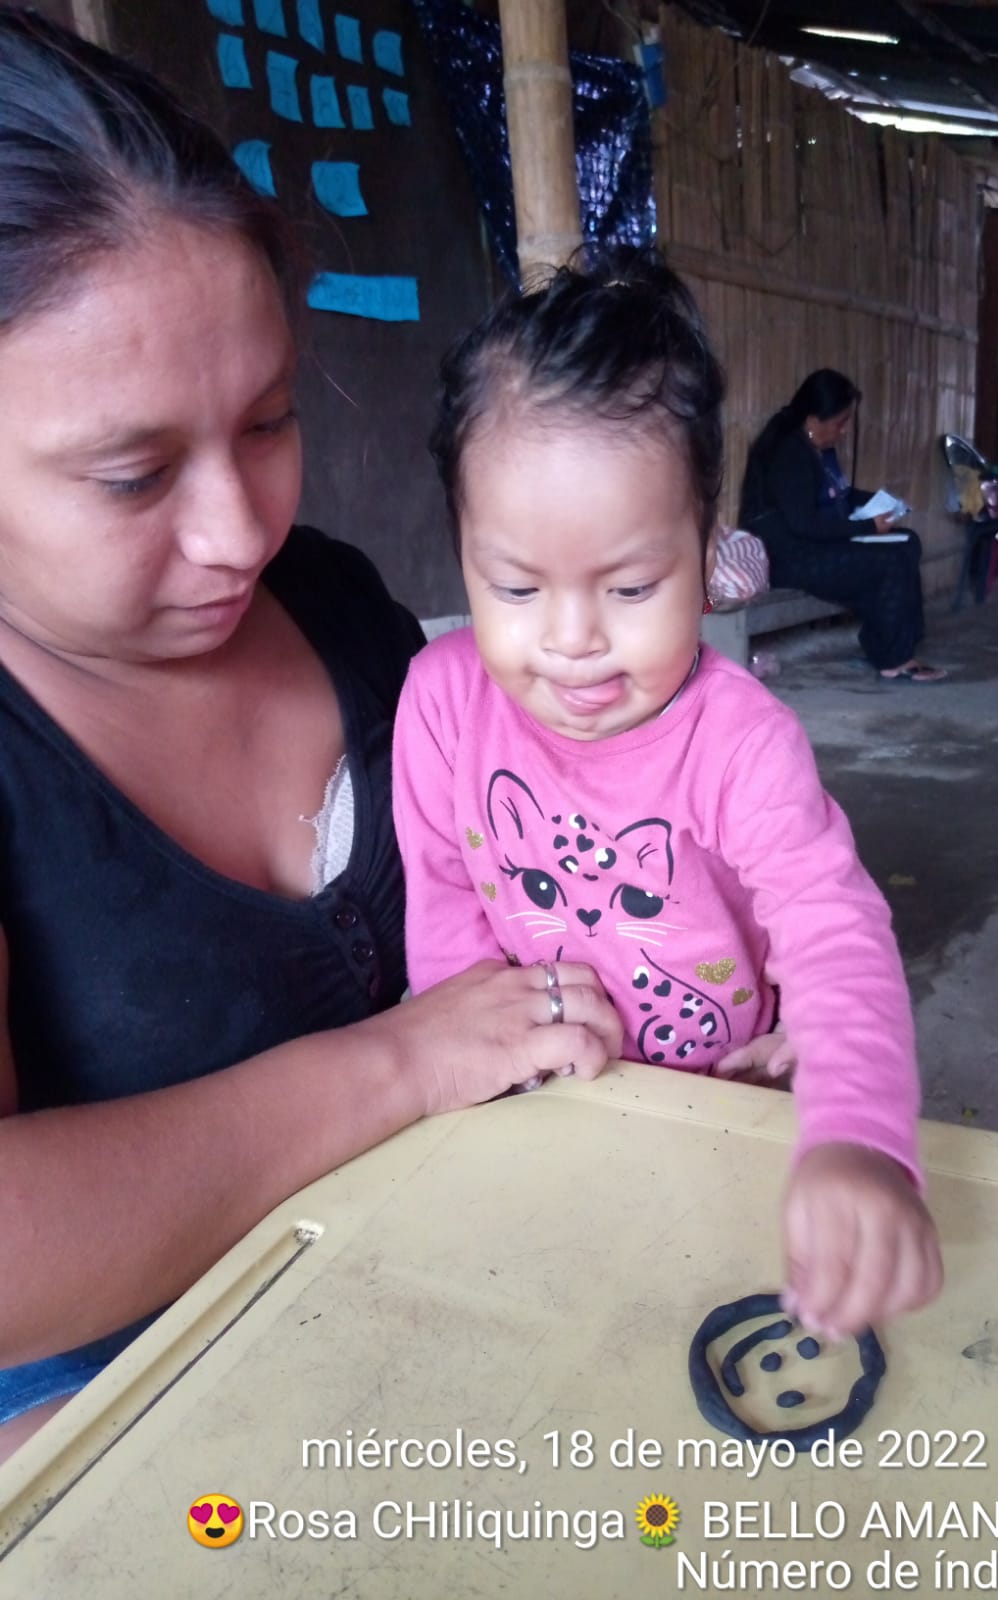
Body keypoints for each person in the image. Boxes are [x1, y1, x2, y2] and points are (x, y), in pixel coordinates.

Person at [0, 10, 623, 1461]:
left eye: (271, 421)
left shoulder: (335, 603)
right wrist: (402, 1066)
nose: (240, 532)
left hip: (455, 1284)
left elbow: (530, 886)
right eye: (132, 475)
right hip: (117, 1404)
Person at [392, 254, 943, 1340]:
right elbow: (445, 912)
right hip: (547, 1104)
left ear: (708, 549)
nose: (572, 639)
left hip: (727, 1100)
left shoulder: (741, 741)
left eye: (633, 586)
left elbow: (833, 929)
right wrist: (485, 1087)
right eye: (515, 586)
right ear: (461, 550)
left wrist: (855, 1133)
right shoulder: (442, 704)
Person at [739, 368, 947, 682]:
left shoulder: (817, 449)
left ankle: (897, 641)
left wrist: (881, 502)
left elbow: (840, 496)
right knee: (888, 561)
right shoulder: (790, 454)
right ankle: (894, 658)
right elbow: (804, 524)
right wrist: (867, 529)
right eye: (840, 422)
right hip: (790, 558)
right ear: (814, 419)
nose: (844, 430)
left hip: (814, 544)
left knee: (907, 541)